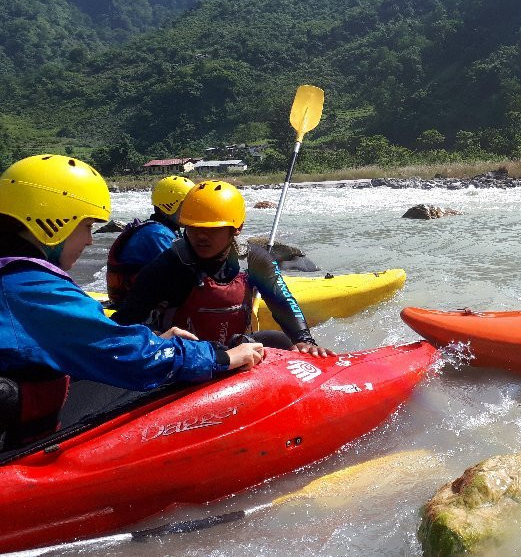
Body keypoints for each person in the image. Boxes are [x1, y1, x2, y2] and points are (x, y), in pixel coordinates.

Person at [0, 155, 264, 451]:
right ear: (55, 222)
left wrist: (151, 339)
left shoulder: (14, 279)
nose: (89, 241)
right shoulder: (33, 291)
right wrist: (222, 358)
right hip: (14, 451)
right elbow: (130, 358)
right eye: (87, 225)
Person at [111, 180, 333, 356]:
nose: (201, 236)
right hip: (184, 356)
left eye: (212, 229)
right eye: (193, 228)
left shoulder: (255, 260)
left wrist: (305, 341)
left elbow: (283, 302)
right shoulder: (168, 266)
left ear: (237, 228)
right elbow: (122, 325)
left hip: (236, 349)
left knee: (281, 341)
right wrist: (155, 339)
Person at [106, 175, 196, 308]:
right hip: (133, 307)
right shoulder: (157, 234)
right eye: (187, 205)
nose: (193, 210)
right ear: (169, 206)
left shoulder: (161, 229)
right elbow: (182, 277)